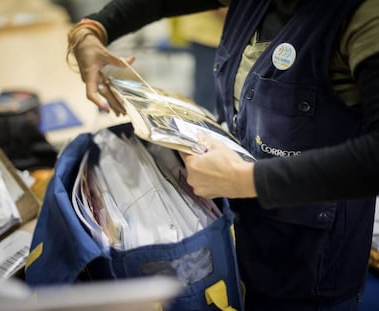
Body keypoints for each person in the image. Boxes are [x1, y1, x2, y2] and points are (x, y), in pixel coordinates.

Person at [67, 0, 379, 310]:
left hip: (309, 271)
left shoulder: (365, 16)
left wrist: (245, 180)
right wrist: (94, 29)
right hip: (239, 242)